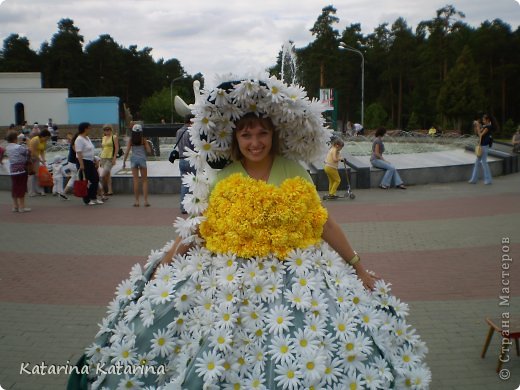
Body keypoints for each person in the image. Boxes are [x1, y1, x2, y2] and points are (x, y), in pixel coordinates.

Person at [69, 77, 430, 390]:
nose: (255, 142)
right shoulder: (223, 175)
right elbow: (199, 224)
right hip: (232, 280)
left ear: (273, 135)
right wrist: (165, 263)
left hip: (294, 278)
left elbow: (322, 222)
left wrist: (357, 267)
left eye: (262, 133)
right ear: (235, 138)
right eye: (246, 135)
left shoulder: (293, 169)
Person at [74, 122, 104, 205]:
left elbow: (90, 150)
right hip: (83, 161)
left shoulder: (87, 138)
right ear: (85, 129)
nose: (90, 129)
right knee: (85, 181)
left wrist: (95, 159)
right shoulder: (79, 139)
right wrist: (81, 164)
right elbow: (79, 152)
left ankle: (93, 197)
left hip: (90, 161)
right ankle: (86, 199)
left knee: (95, 179)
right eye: (89, 128)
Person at [123, 123, 151, 207]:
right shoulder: (143, 140)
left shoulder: (131, 140)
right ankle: (145, 201)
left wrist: (124, 161)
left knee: (135, 181)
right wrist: (147, 146)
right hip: (142, 160)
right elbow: (149, 151)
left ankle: (136, 201)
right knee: (144, 181)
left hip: (133, 160)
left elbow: (127, 151)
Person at [5, 130, 31, 212]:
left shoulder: (7, 147)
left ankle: (15, 206)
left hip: (12, 170)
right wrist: (28, 143)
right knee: (21, 188)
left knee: (15, 187)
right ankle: (22, 207)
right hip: (21, 170)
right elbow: (28, 152)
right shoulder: (18, 147)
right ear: (14, 138)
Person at [177, 114, 196, 214]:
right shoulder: (191, 131)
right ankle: (194, 205)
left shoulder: (178, 131)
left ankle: (183, 207)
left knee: (184, 184)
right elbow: (194, 146)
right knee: (195, 183)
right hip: (191, 160)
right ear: (191, 121)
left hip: (181, 160)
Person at [469, 114, 495, 185]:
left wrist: (478, 126)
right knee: (477, 163)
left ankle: (488, 180)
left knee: (484, 163)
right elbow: (478, 134)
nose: (483, 121)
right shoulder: (485, 126)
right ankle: (474, 179)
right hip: (481, 146)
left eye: (484, 120)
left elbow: (481, 134)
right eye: (483, 120)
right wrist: (476, 127)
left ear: (488, 120)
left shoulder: (488, 127)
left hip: (484, 147)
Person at [27, 128, 51, 196]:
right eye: (46, 138)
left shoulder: (44, 141)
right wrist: (40, 159)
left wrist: (43, 159)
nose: (47, 139)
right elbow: (33, 151)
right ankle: (31, 192)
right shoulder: (35, 140)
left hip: (37, 158)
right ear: (43, 136)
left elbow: (42, 151)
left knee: (37, 175)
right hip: (31, 158)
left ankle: (39, 190)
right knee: (31, 175)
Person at [99, 124, 119, 196]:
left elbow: (117, 148)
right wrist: (100, 159)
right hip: (103, 157)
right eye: (105, 130)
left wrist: (114, 158)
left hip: (110, 157)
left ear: (111, 130)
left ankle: (102, 190)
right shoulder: (103, 137)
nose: (107, 131)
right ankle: (110, 190)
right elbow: (102, 148)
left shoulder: (114, 137)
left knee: (103, 175)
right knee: (108, 175)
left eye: (108, 129)